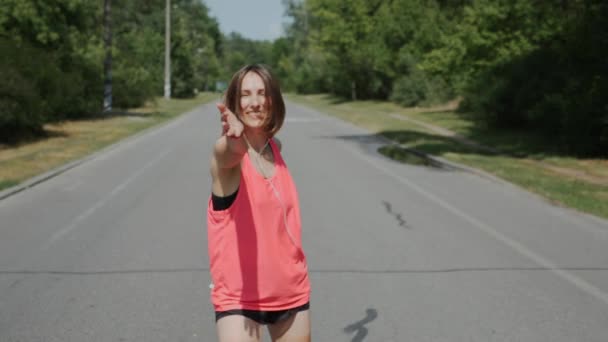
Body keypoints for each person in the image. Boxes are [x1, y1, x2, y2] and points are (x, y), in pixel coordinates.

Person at [207, 64, 311, 342]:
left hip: (290, 291)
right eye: (245, 94)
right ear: (234, 103)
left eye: (261, 93)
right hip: (239, 301)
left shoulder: (274, 147)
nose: (254, 102)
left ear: (272, 100)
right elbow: (232, 152)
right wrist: (236, 139)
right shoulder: (224, 155)